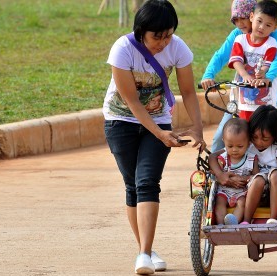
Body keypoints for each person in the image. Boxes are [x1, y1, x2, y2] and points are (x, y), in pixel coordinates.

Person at [102, 0, 205, 274]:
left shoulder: (178, 48)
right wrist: (160, 134)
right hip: (120, 121)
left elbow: (189, 92)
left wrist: (198, 129)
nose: (163, 42)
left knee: (147, 181)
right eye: (156, 36)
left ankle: (145, 253)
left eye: (168, 35)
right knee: (132, 185)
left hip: (159, 119)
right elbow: (132, 101)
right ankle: (144, 251)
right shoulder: (122, 49)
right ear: (141, 32)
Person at [200, 0, 277, 153]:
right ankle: (216, 173)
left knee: (275, 136)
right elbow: (221, 56)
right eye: (235, 20)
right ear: (254, 17)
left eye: (242, 18)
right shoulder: (238, 35)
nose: (239, 24)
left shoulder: (272, 36)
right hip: (241, 96)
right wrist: (208, 75)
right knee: (222, 136)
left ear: (252, 15)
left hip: (268, 96)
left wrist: (268, 77)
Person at [210, 105, 277, 224]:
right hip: (251, 186)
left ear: (275, 136)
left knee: (275, 175)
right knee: (258, 180)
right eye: (255, 137)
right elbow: (213, 156)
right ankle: (246, 221)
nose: (258, 142)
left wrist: (245, 178)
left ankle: (273, 219)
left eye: (265, 139)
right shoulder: (246, 141)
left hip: (274, 187)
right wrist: (220, 175)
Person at [228, 0, 277, 121]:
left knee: (263, 127)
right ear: (252, 17)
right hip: (243, 91)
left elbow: (267, 64)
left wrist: (262, 73)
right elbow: (236, 61)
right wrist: (245, 75)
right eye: (259, 21)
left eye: (268, 25)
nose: (262, 27)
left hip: (264, 94)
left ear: (275, 28)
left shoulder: (271, 43)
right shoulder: (240, 39)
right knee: (243, 125)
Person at [214, 118, 259, 225]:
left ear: (248, 143)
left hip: (241, 192)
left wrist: (246, 179)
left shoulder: (252, 159)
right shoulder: (222, 158)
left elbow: (256, 176)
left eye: (239, 146)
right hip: (224, 191)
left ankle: (233, 221)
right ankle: (220, 223)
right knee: (220, 203)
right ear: (223, 141)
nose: (234, 150)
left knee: (242, 204)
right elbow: (217, 175)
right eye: (230, 146)